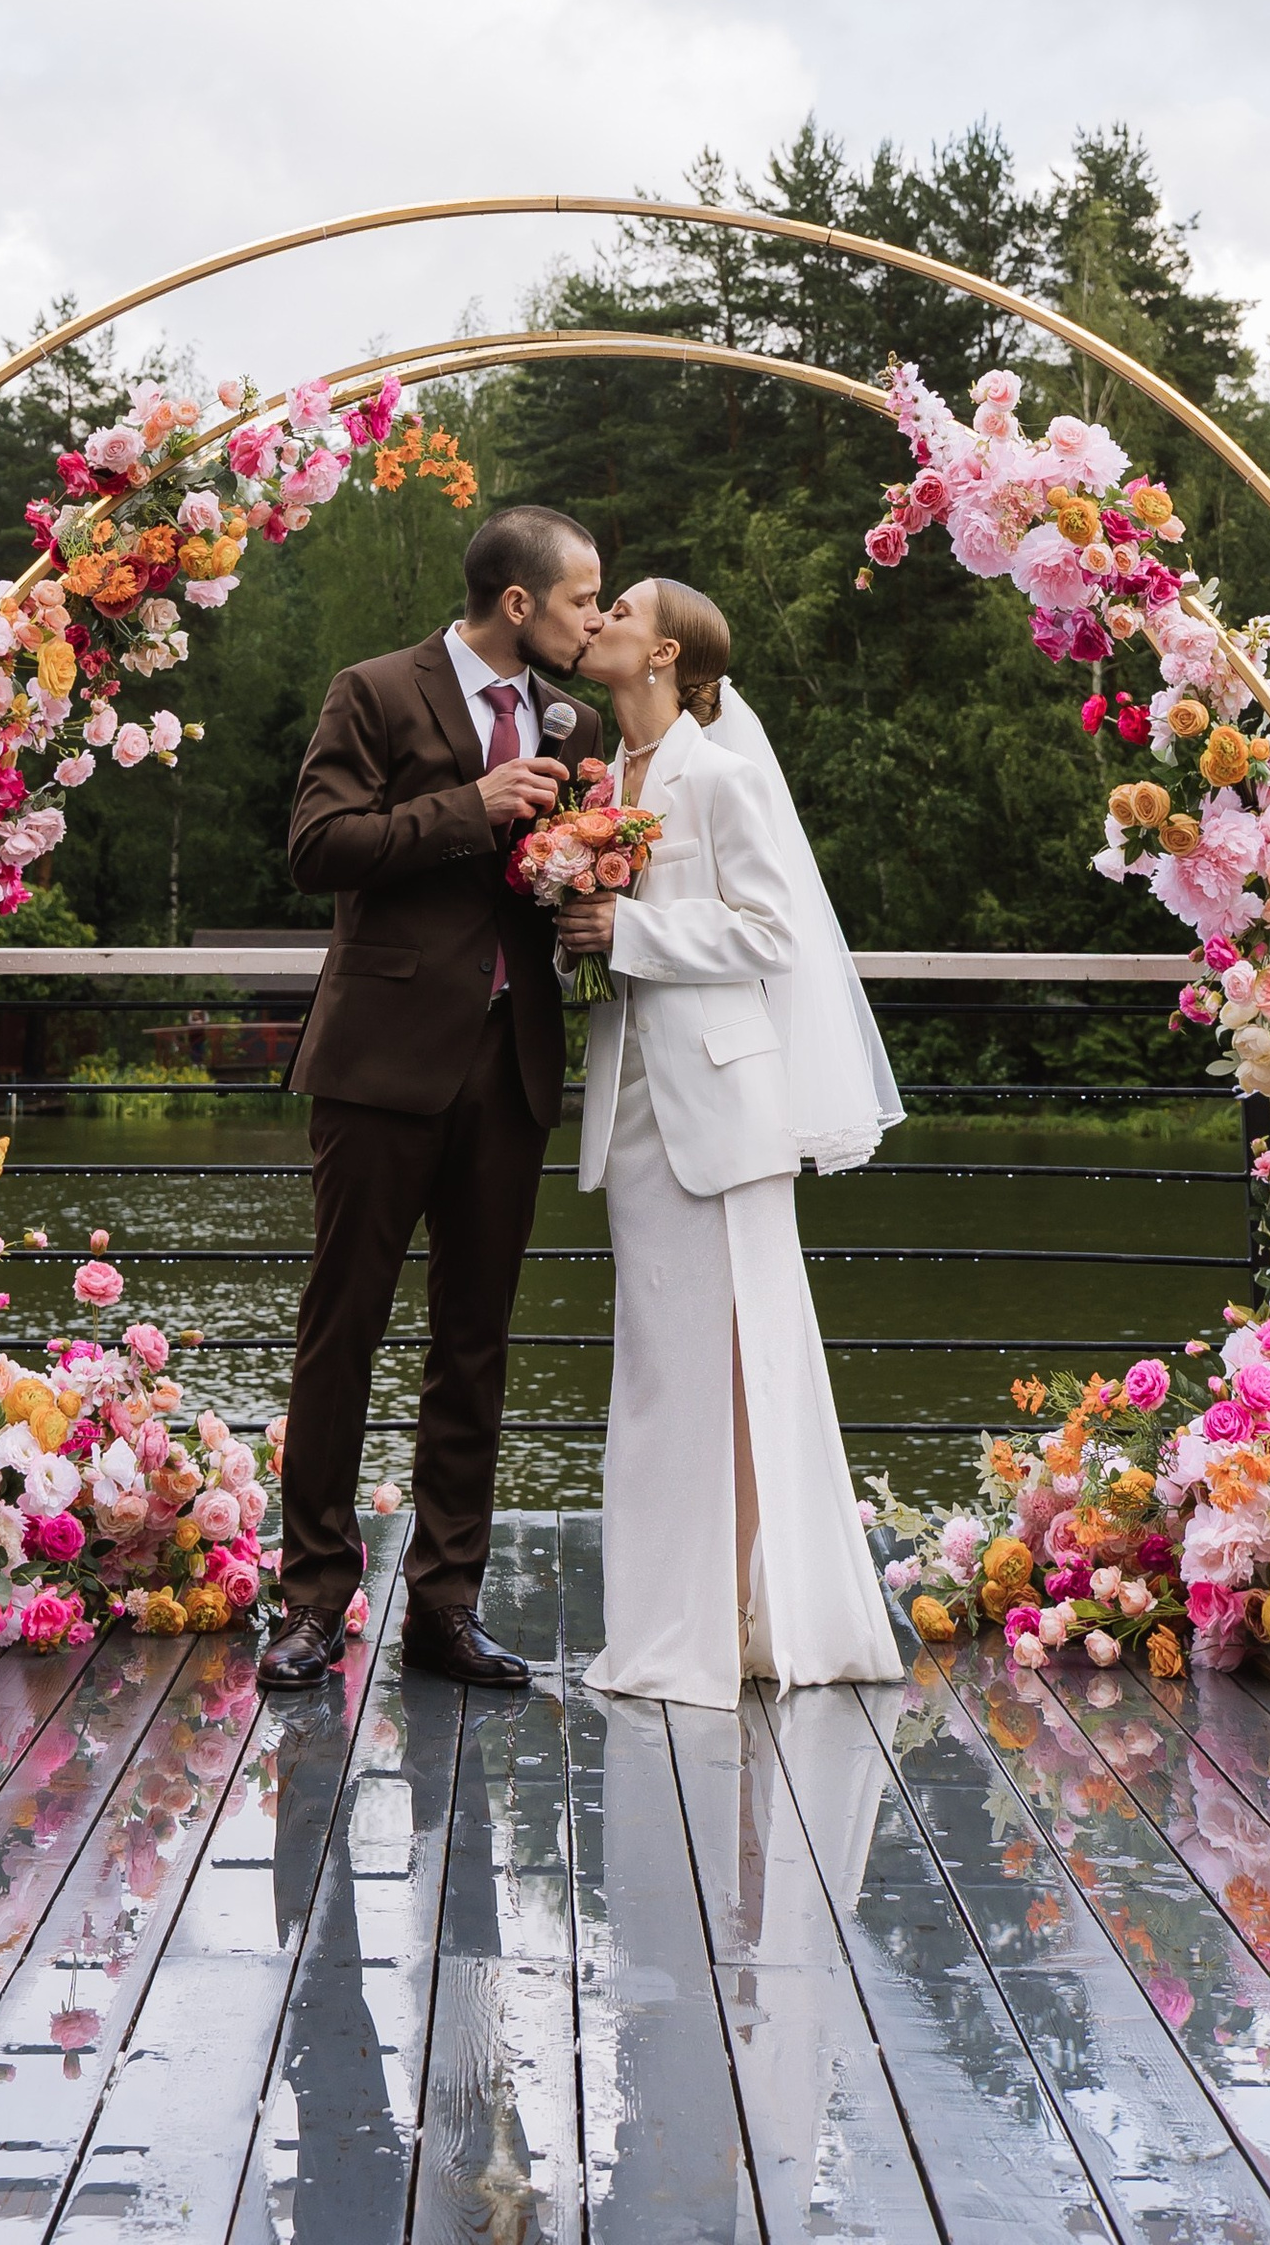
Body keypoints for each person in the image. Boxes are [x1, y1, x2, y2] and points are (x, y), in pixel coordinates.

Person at [262, 504, 607, 1690]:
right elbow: (316, 846)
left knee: (475, 1344)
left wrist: (592, 889)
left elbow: (561, 877)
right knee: (341, 1329)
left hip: (510, 1065)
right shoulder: (372, 691)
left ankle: (444, 1609)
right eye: (580, 600)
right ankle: (313, 1599)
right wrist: (474, 809)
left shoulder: (578, 720)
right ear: (517, 603)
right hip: (378, 1066)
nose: (593, 621)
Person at [558, 577, 904, 1705]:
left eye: (619, 613)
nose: (597, 620)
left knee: (737, 1368)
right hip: (640, 1106)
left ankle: (726, 1629)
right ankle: (685, 1625)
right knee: (667, 1375)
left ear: (662, 653)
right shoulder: (608, 783)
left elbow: (769, 933)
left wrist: (630, 925)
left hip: (721, 1107)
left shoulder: (723, 772)